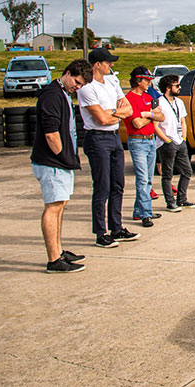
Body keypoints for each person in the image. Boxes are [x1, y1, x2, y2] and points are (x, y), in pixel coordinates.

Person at [32, 59, 92, 272]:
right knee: (53, 206)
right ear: (67, 73)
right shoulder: (52, 95)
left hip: (59, 162)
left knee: (60, 206)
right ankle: (53, 260)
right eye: (76, 81)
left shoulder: (63, 94)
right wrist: (64, 157)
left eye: (81, 85)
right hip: (52, 162)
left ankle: (58, 250)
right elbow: (50, 133)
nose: (78, 87)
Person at [77, 48, 139, 248]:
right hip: (97, 139)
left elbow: (128, 108)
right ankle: (100, 232)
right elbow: (101, 119)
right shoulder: (87, 87)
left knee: (117, 184)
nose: (111, 65)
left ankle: (117, 227)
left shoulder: (112, 81)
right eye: (108, 62)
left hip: (113, 137)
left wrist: (114, 112)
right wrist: (117, 112)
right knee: (102, 186)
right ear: (97, 64)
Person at [125, 67, 164, 228]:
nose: (149, 83)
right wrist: (151, 115)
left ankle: (138, 211)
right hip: (137, 141)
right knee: (142, 179)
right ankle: (145, 214)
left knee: (148, 178)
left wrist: (148, 114)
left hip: (150, 140)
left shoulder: (148, 97)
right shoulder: (128, 99)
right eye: (146, 80)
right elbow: (136, 123)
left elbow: (161, 116)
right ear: (138, 80)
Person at [155, 74, 195, 211]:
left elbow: (183, 121)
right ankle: (170, 202)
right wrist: (166, 140)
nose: (180, 88)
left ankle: (182, 199)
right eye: (177, 86)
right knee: (168, 173)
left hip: (180, 141)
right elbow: (155, 125)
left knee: (187, 171)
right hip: (167, 142)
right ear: (168, 87)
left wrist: (183, 138)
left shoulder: (179, 102)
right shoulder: (159, 102)